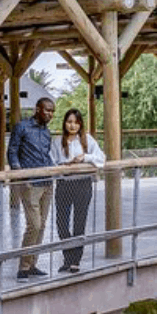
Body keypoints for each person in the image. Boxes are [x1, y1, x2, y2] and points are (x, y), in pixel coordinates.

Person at [7, 98, 58, 280]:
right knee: (34, 225)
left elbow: (46, 155)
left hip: (47, 183)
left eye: (52, 111)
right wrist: (19, 173)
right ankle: (23, 267)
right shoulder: (22, 127)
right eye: (47, 111)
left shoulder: (46, 132)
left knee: (42, 226)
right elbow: (12, 151)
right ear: (38, 109)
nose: (50, 114)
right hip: (30, 184)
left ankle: (32, 265)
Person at [51, 109, 106, 274]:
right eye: (69, 122)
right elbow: (51, 161)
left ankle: (75, 261)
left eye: (75, 122)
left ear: (80, 123)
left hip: (82, 184)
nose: (72, 125)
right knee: (61, 223)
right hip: (64, 184)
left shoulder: (87, 140)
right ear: (64, 123)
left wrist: (85, 157)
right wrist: (64, 167)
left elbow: (101, 158)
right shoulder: (57, 141)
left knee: (79, 223)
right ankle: (68, 256)